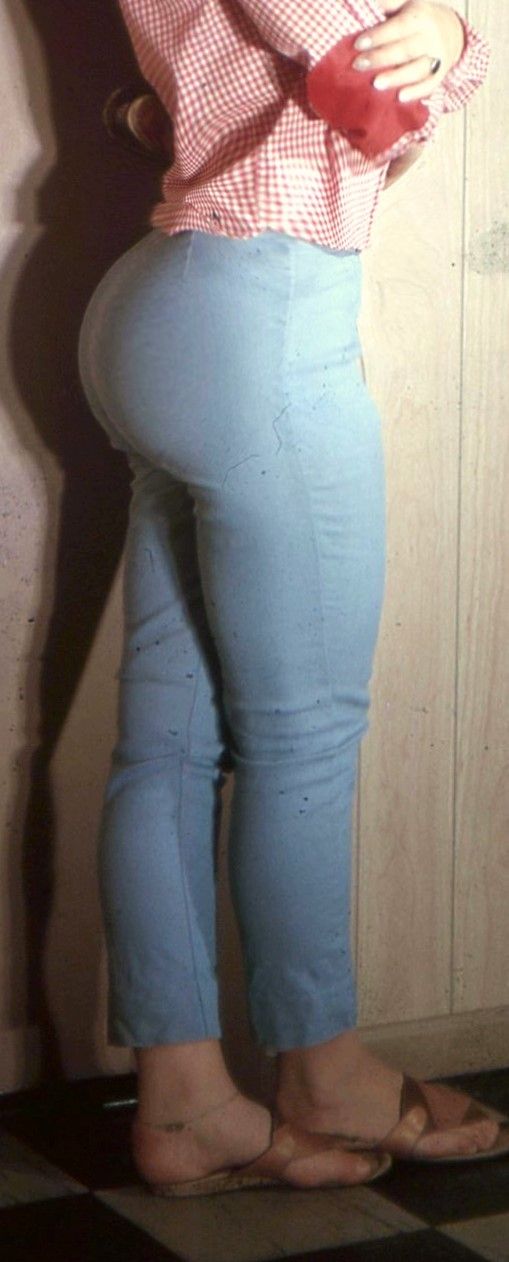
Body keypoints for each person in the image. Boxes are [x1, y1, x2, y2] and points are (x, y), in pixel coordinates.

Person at [78, 0, 509, 1197]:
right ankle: (324, 1072)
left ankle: (186, 1104)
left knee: (166, 743)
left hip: (171, 302)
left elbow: (194, 99)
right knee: (302, 736)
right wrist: (456, 42)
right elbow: (372, 101)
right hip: (254, 318)